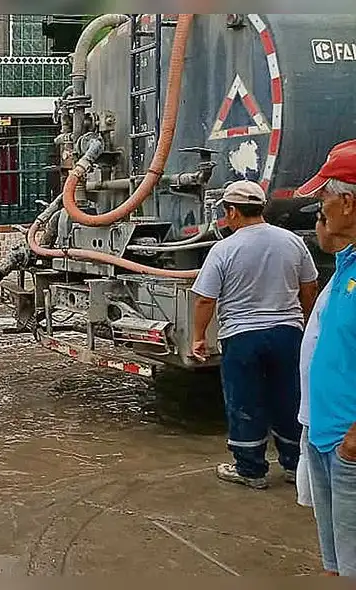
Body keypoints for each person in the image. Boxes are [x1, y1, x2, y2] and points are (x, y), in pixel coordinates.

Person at [190, 179, 319, 489]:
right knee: (290, 398)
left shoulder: (224, 249)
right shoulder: (292, 241)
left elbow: (206, 299)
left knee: (245, 401)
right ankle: (295, 466)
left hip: (242, 337)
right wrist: (303, 322)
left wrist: (199, 337)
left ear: (233, 211)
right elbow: (310, 286)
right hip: (287, 334)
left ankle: (251, 470)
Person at [295, 138, 356, 577]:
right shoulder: (347, 263)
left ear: (348, 203)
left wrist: (352, 441)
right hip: (325, 437)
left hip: (348, 444)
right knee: (336, 565)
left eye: (324, 201)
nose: (321, 210)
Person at [298, 215, 347, 510]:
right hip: (319, 421)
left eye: (321, 217)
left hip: (341, 434)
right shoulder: (343, 271)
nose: (317, 226)